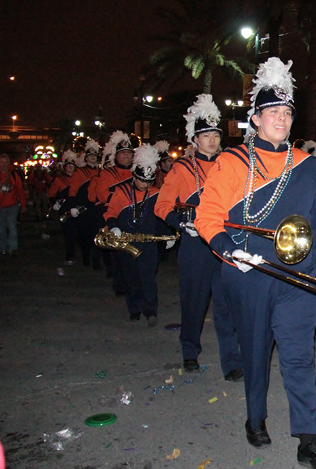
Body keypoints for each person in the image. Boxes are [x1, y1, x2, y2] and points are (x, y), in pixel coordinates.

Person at [195, 58, 316, 469]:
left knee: (298, 356)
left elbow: (314, 225)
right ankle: (255, 417)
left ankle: (308, 439)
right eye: (273, 111)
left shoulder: (306, 164)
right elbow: (208, 216)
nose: (282, 118)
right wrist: (228, 250)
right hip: (249, 273)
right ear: (255, 119)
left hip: (298, 277)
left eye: (288, 112)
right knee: (255, 354)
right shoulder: (232, 162)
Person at [155, 94, 242, 380]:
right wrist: (181, 223)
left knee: (226, 305)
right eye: (206, 135)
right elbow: (162, 205)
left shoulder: (230, 165)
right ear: (195, 139)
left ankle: (231, 362)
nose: (212, 140)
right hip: (195, 245)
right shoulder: (182, 168)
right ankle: (190, 351)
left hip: (224, 241)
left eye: (216, 134)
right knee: (193, 302)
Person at [105, 145, 171, 326]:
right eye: (142, 180)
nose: (145, 184)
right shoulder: (122, 192)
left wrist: (169, 235)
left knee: (148, 278)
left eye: (149, 181)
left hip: (148, 243)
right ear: (134, 176)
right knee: (131, 277)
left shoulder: (156, 193)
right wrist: (113, 226)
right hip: (127, 242)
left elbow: (162, 217)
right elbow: (110, 212)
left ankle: (151, 310)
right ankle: (134, 308)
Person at [92, 131, 138, 294]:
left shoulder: (137, 172)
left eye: (129, 153)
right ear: (116, 156)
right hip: (114, 215)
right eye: (123, 153)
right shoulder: (107, 173)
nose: (126, 156)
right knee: (117, 254)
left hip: (134, 216)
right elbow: (102, 195)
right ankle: (119, 284)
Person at [68, 140, 102, 268]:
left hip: (97, 207)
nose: (93, 157)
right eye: (90, 156)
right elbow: (73, 190)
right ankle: (86, 256)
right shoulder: (80, 172)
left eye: (94, 155)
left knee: (97, 233)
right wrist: (73, 206)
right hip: (84, 208)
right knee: (85, 234)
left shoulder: (101, 171)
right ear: (86, 158)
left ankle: (96, 260)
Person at [0, 154, 25, 256]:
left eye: (6, 162)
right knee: (1, 228)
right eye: (1, 162)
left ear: (9, 163)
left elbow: (20, 190)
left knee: (12, 227)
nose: (3, 165)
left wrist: (23, 204)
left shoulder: (14, 174)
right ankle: (3, 247)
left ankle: (13, 248)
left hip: (12, 205)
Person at [49, 151, 80, 264]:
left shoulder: (79, 178)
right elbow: (52, 193)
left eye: (72, 165)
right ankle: (70, 253)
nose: (70, 167)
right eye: (68, 165)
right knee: (68, 232)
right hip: (64, 209)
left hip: (77, 208)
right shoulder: (59, 179)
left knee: (77, 232)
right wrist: (54, 204)